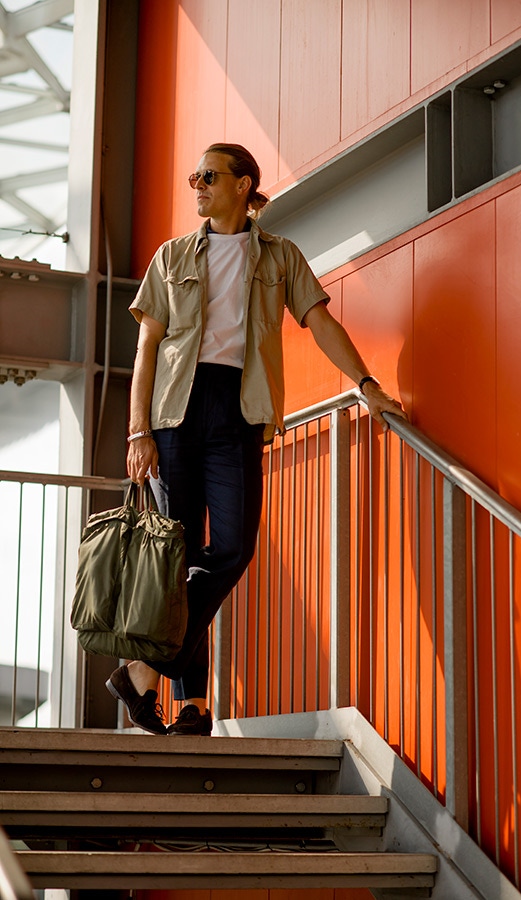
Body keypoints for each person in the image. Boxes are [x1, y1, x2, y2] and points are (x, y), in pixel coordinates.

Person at [105, 142, 406, 736]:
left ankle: (142, 669)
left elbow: (321, 322)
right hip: (175, 413)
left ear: (243, 185)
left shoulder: (279, 256)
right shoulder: (171, 256)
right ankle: (191, 706)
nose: (196, 185)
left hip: (240, 411)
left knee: (235, 547)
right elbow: (146, 349)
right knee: (180, 561)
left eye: (208, 176)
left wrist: (368, 383)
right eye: (193, 175)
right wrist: (138, 429)